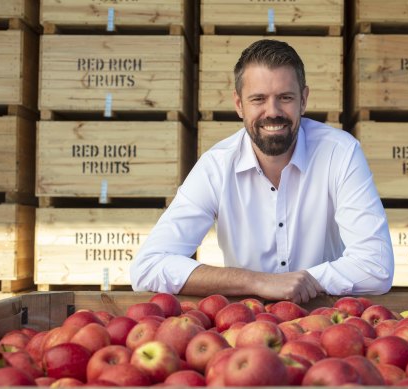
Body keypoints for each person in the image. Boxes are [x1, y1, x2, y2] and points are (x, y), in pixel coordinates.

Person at [131, 39, 394, 304]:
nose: (273, 112)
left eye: (285, 98)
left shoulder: (340, 153)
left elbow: (376, 266)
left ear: (303, 100)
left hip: (325, 326)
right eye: (258, 99)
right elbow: (147, 266)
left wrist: (306, 281)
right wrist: (258, 281)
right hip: (243, 327)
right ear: (238, 104)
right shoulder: (217, 166)